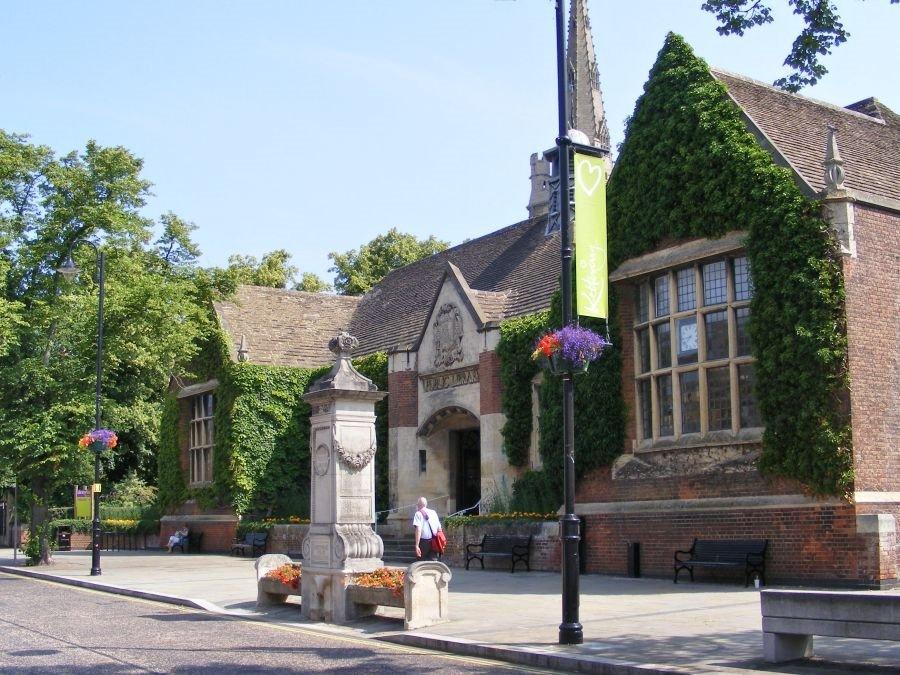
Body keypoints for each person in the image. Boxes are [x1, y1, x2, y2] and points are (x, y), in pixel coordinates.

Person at [412, 497, 442, 561]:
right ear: (426, 504)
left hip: (424, 542)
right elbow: (439, 528)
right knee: (433, 562)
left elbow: (418, 529)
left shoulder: (418, 513)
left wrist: (417, 545)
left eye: (417, 504)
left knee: (420, 563)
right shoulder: (433, 512)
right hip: (434, 540)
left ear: (418, 505)